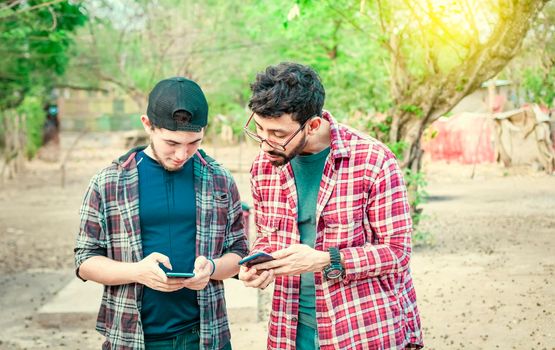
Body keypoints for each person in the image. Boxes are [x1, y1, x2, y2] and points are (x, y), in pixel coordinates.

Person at [238, 62, 423, 350]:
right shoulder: (263, 167)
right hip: (289, 327)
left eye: (277, 133)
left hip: (362, 329)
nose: (264, 143)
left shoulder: (373, 160)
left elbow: (397, 252)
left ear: (312, 125)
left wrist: (324, 260)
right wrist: (258, 263)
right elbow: (267, 236)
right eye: (259, 129)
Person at [74, 77, 249, 350]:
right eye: (171, 142)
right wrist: (137, 272)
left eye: (194, 143)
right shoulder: (107, 181)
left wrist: (212, 269)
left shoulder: (220, 179)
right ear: (147, 125)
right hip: (132, 338)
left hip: (206, 337)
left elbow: (239, 251)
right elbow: (85, 259)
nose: (182, 154)